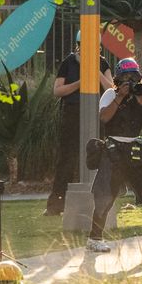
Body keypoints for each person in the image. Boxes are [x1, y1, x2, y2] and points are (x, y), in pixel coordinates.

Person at [85, 58, 142, 253]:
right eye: (126, 77)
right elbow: (105, 117)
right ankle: (94, 238)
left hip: (134, 150)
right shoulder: (109, 94)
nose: (130, 82)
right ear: (118, 79)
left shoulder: (141, 97)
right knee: (106, 195)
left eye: (134, 77)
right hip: (113, 151)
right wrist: (119, 97)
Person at [45, 32, 113, 215]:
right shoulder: (69, 63)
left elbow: (111, 90)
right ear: (78, 45)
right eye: (84, 45)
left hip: (96, 114)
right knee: (67, 158)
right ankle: (55, 205)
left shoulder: (103, 63)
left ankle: (101, 203)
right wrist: (81, 82)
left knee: (98, 157)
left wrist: (95, 71)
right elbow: (58, 90)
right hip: (72, 113)